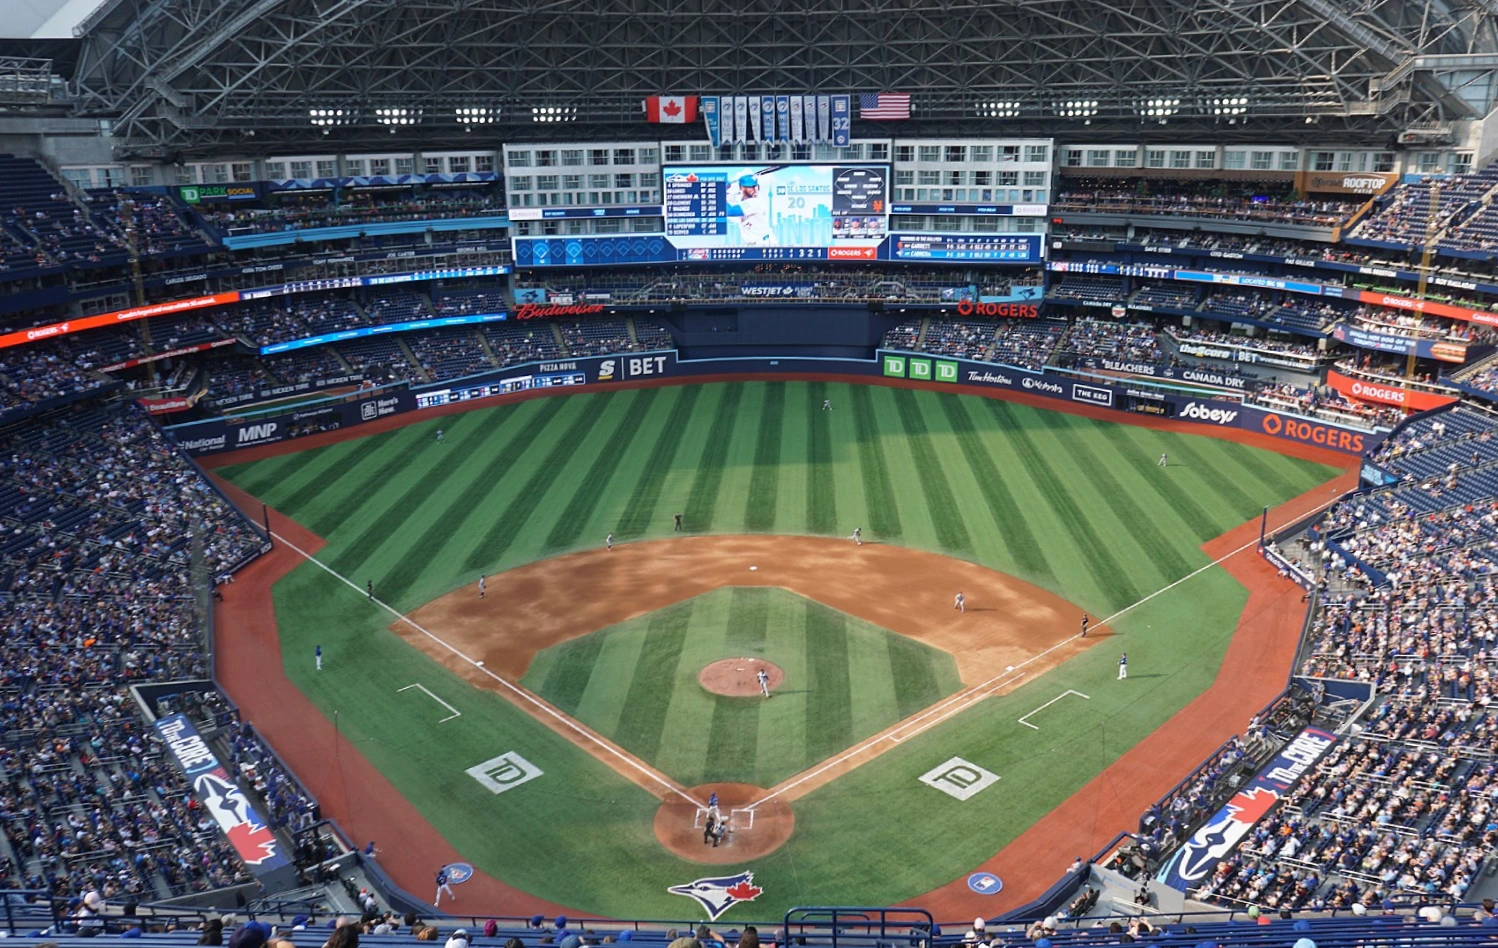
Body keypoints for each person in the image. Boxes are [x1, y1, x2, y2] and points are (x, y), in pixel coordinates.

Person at [726, 174, 776, 244]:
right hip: (752, 244)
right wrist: (724, 189)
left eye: (755, 186)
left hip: (764, 243)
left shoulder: (755, 202)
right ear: (742, 188)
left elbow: (730, 211)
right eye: (750, 187)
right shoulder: (740, 197)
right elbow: (727, 197)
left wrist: (721, 191)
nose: (754, 190)